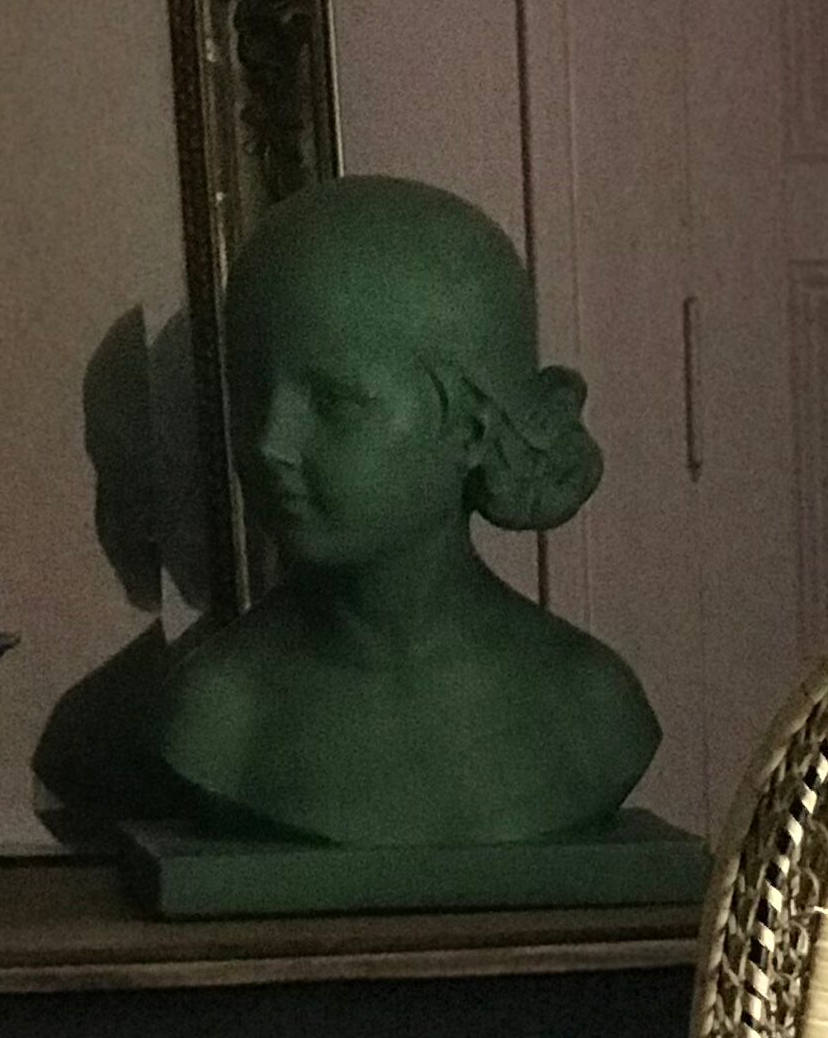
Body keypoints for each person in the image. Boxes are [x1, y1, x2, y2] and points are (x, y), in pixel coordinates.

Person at [150, 175, 658, 845]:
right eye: (252, 391)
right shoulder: (217, 715)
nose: (271, 442)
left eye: (333, 402)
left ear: (472, 430)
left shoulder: (590, 707)